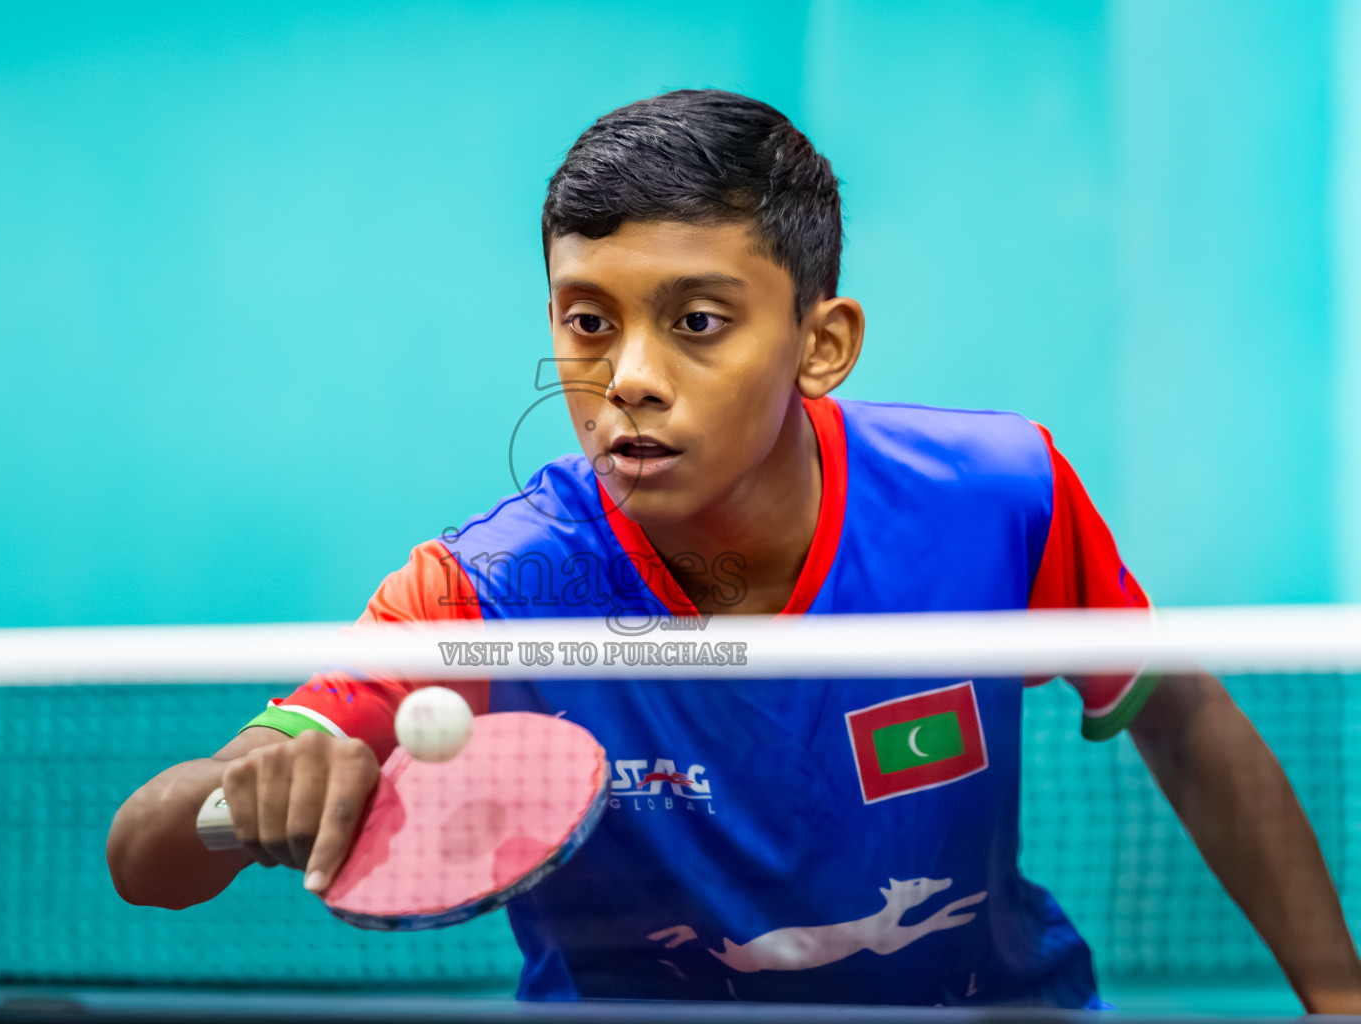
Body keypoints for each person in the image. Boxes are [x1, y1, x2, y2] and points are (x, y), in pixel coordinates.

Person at [106, 89, 1361, 1011]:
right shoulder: (485, 590)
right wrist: (243, 792)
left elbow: (1185, 717)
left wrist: (1341, 1001)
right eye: (587, 323)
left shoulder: (997, 499)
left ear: (823, 342)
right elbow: (142, 855)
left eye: (698, 322)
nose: (628, 378)